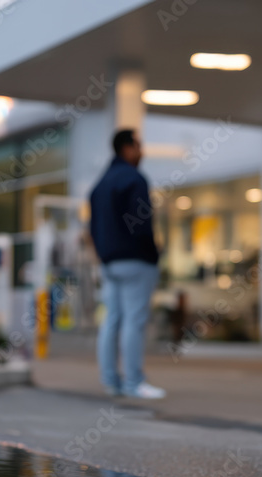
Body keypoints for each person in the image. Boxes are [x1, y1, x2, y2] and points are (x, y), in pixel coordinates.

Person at [89, 129, 166, 400]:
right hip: (135, 260)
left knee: (112, 320)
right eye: (139, 145)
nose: (142, 151)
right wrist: (153, 253)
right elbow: (142, 224)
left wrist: (102, 253)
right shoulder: (134, 179)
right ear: (127, 148)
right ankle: (134, 383)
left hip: (109, 262)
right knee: (135, 320)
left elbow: (93, 226)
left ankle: (112, 381)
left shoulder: (100, 184)